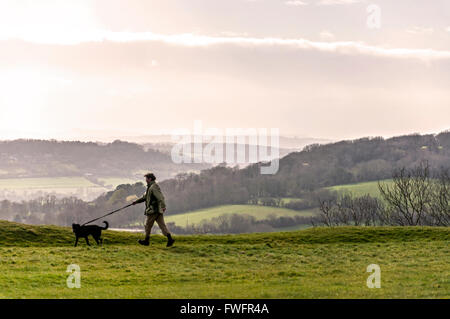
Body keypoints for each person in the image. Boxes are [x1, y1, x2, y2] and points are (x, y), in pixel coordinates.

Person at [132, 172, 175, 247]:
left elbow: (160, 197)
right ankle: (170, 239)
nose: (145, 180)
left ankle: (146, 241)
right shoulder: (150, 187)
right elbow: (144, 197)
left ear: (150, 179)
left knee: (147, 225)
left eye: (146, 178)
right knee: (162, 226)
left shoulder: (153, 187)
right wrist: (136, 202)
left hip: (153, 210)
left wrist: (163, 206)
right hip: (157, 210)